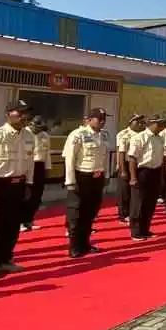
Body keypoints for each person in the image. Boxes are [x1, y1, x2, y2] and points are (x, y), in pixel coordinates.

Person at [0, 101, 34, 280]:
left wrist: (28, 183)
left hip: (18, 184)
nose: (25, 117)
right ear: (9, 114)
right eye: (21, 112)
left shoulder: (28, 136)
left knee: (12, 226)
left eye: (27, 113)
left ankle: (5, 259)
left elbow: (29, 162)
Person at [64, 108, 110, 257]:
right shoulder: (78, 135)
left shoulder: (103, 135)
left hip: (97, 177)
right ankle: (74, 246)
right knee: (76, 213)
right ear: (89, 119)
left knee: (91, 212)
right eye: (99, 118)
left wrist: (106, 175)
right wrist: (70, 181)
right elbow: (69, 159)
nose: (102, 121)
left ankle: (85, 243)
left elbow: (105, 157)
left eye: (104, 118)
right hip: (81, 177)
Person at [127, 116, 166, 240]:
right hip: (142, 171)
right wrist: (133, 177)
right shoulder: (140, 137)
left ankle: (145, 229)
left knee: (150, 203)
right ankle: (136, 231)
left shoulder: (160, 139)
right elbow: (132, 158)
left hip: (155, 171)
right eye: (160, 124)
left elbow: (161, 157)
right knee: (138, 202)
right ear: (152, 123)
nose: (162, 127)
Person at [21, 116, 51, 232]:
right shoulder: (24, 134)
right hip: (27, 166)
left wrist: (47, 168)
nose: (39, 130)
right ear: (31, 124)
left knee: (36, 196)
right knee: (25, 195)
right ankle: (20, 221)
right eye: (38, 127)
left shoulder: (45, 136)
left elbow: (47, 153)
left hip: (40, 166)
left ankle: (29, 219)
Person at [115, 114, 144, 222]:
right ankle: (123, 214)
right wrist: (122, 169)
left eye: (141, 122)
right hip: (126, 163)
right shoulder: (124, 134)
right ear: (130, 122)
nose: (140, 124)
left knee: (135, 190)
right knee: (124, 191)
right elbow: (121, 152)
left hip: (138, 164)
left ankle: (133, 212)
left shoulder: (141, 134)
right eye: (137, 122)